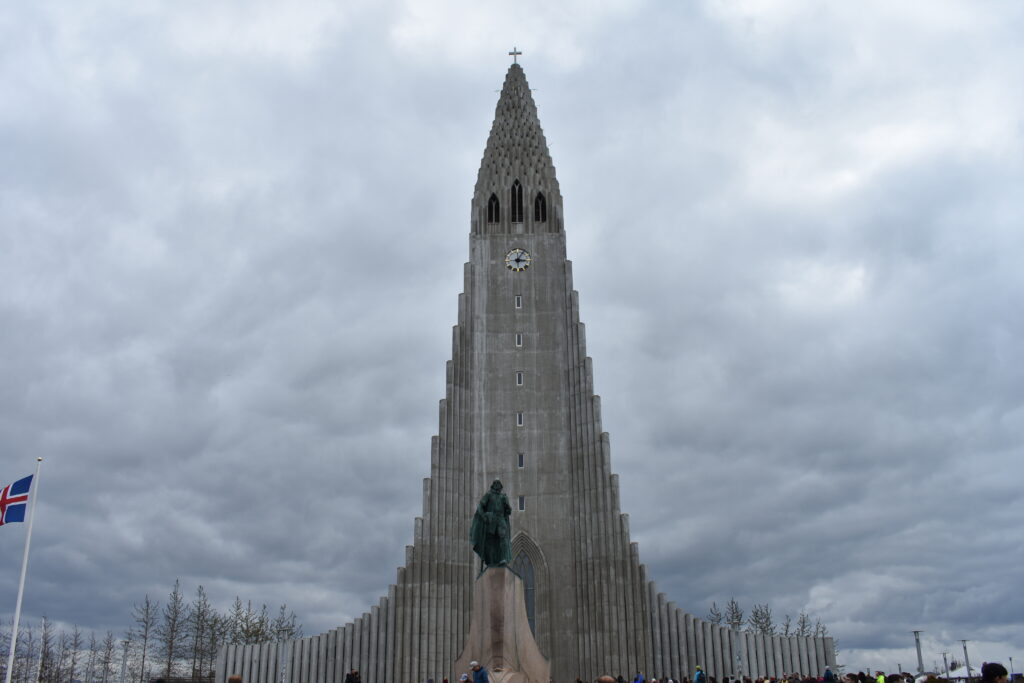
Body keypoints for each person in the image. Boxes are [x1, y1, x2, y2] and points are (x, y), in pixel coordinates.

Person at [470, 480, 512, 567]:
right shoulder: (489, 495)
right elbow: (480, 506)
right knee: (491, 541)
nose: (497, 485)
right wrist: (483, 515)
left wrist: (507, 505)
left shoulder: (503, 497)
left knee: (503, 538)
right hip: (491, 519)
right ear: (493, 485)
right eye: (495, 483)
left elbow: (508, 511)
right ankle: (491, 560)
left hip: (500, 519)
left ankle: (503, 558)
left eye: (498, 483)